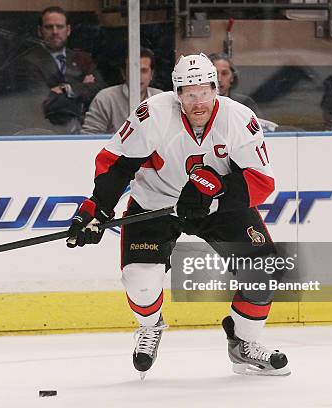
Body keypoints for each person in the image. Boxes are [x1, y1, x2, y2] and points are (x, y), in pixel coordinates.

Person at [66, 53, 290, 378]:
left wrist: (215, 194)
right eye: (189, 93)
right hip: (157, 201)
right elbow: (117, 163)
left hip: (217, 205)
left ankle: (243, 344)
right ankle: (150, 325)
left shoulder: (239, 119)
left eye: (204, 92)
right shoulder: (152, 115)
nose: (198, 101)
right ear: (176, 93)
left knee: (265, 270)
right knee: (140, 281)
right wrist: (96, 208)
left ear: (216, 89)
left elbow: (261, 181)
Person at [14, 6, 104, 134]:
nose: (55, 31)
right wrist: (82, 87)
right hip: (46, 131)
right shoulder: (28, 62)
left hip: (85, 130)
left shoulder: (82, 58)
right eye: (49, 27)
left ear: (68, 30)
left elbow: (99, 89)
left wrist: (66, 89)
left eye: (60, 27)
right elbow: (44, 102)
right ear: (40, 31)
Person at [82, 47, 162, 135]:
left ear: (151, 74)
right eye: (133, 70)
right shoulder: (106, 98)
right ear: (124, 74)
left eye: (144, 71)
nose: (138, 76)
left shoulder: (162, 99)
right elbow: (89, 137)